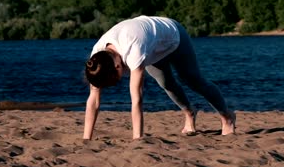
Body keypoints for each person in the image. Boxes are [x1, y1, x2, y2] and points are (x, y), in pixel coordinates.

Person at [83, 15, 235, 140]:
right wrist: (86, 139)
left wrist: (138, 138)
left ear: (117, 67)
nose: (117, 82)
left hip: (173, 36)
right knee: (166, 84)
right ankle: (190, 113)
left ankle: (227, 117)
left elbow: (137, 100)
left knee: (193, 80)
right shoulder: (97, 61)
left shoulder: (133, 49)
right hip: (152, 49)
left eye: (115, 79)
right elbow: (93, 101)